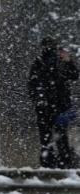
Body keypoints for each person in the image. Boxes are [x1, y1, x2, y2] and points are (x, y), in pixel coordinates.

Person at [28, 37, 79, 168]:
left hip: (57, 107)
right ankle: (55, 163)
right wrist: (39, 100)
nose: (49, 48)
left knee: (55, 138)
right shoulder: (39, 63)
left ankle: (58, 163)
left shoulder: (57, 62)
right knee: (52, 138)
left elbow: (74, 75)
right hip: (50, 107)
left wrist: (68, 61)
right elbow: (33, 85)